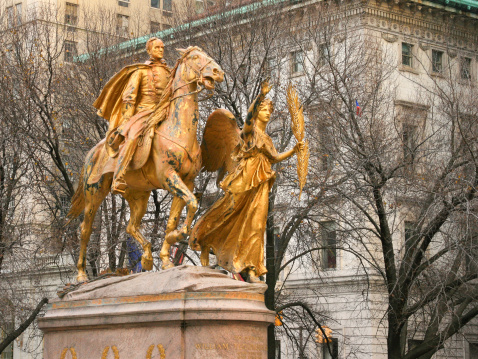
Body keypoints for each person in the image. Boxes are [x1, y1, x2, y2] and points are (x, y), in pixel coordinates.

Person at [189, 81, 304, 283]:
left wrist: (294, 150)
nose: (268, 113)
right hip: (244, 179)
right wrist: (260, 96)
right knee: (227, 212)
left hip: (260, 183)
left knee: (257, 225)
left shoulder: (267, 138)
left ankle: (252, 268)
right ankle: (205, 238)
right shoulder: (249, 132)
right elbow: (249, 117)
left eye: (270, 110)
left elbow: (274, 157)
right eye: (265, 109)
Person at [93, 37, 171, 194]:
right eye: (156, 48)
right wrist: (128, 119)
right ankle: (119, 176)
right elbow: (129, 96)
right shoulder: (140, 71)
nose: (160, 50)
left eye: (162, 47)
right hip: (144, 113)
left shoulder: (169, 72)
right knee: (133, 137)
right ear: (149, 51)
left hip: (165, 112)